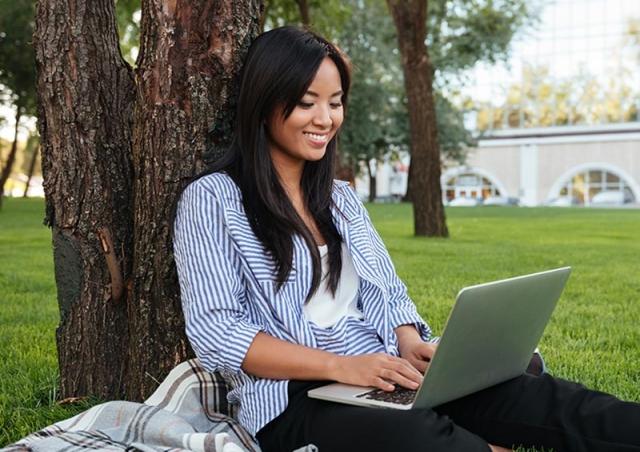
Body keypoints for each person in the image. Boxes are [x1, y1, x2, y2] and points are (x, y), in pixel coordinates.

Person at [173, 26, 640, 452]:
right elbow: (218, 332)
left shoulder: (339, 199)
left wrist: (407, 340)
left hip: (385, 373)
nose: (325, 118)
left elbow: (387, 292)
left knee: (550, 401)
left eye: (335, 102)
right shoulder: (213, 200)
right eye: (306, 101)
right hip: (297, 398)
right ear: (265, 100)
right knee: (422, 438)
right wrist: (342, 368)